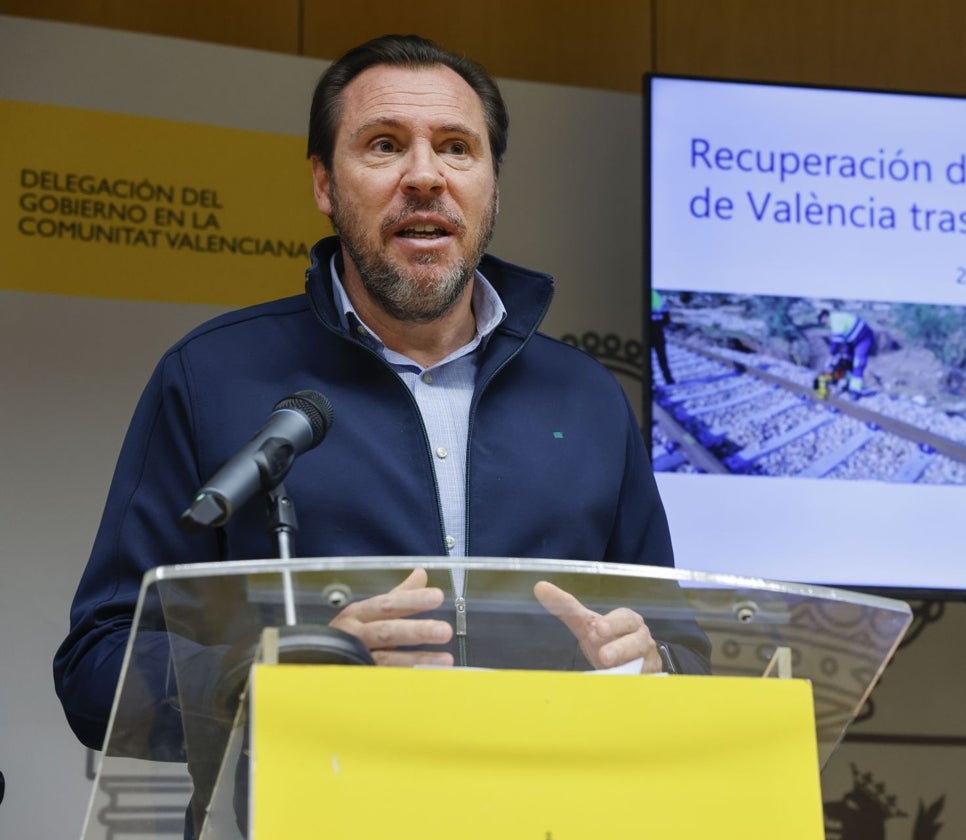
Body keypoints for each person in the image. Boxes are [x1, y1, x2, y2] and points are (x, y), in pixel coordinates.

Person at [54, 34, 707, 764]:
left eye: (458, 148)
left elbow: (681, 648)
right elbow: (97, 667)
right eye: (386, 145)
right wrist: (269, 678)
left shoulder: (585, 398)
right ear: (325, 183)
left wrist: (656, 666)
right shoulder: (213, 377)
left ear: (493, 185)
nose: (425, 176)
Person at [818, 308, 874, 397]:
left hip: (863, 337)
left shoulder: (835, 319)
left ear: (826, 316)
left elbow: (836, 342)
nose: (822, 322)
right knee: (847, 361)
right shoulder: (833, 322)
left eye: (822, 319)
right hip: (851, 340)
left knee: (858, 363)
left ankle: (856, 391)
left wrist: (830, 357)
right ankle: (850, 384)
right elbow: (841, 341)